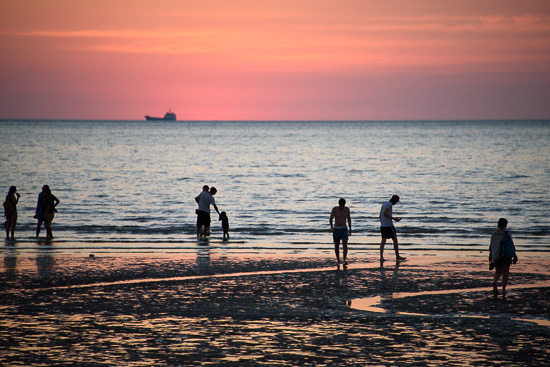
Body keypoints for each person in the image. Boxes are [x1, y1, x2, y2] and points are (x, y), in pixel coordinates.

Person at [489, 218, 518, 299]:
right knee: (505, 272)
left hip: (496, 255)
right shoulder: (507, 233)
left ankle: (495, 282)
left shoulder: (494, 233)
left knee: (498, 271)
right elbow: (511, 245)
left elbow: (491, 245)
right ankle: (504, 289)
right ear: (506, 224)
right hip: (505, 255)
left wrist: (490, 255)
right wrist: (514, 255)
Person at [379, 195, 406, 262]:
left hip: (383, 225)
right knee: (395, 240)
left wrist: (382, 222)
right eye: (396, 201)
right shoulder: (389, 205)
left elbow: (380, 216)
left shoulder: (384, 204)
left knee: (383, 241)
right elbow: (385, 213)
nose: (396, 203)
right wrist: (394, 219)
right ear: (394, 200)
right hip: (389, 225)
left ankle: (381, 257)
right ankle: (397, 256)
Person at [330, 198, 352, 268]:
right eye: (340, 206)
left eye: (342, 206)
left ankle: (344, 259)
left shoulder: (347, 209)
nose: (341, 207)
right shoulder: (335, 209)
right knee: (336, 245)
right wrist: (332, 227)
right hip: (336, 229)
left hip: (344, 229)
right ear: (339, 204)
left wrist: (350, 229)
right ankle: (338, 260)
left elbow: (349, 219)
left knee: (345, 244)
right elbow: (331, 219)